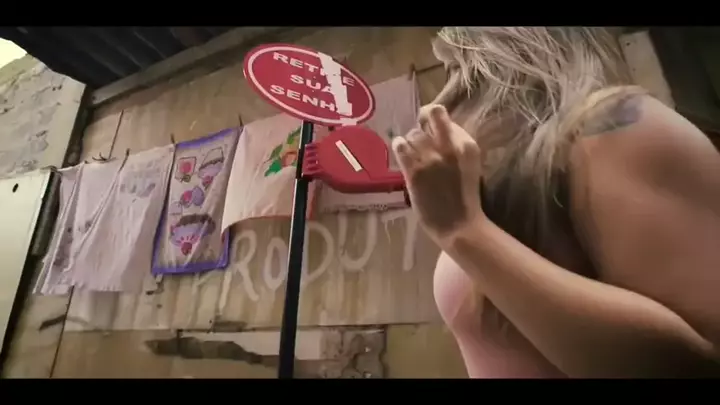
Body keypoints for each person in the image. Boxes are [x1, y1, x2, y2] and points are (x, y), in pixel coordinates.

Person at [391, 27, 720, 378]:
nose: (439, 101)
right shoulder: (509, 177)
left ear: (517, 59)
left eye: (461, 69)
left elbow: (697, 364)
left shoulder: (616, 125)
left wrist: (463, 230)